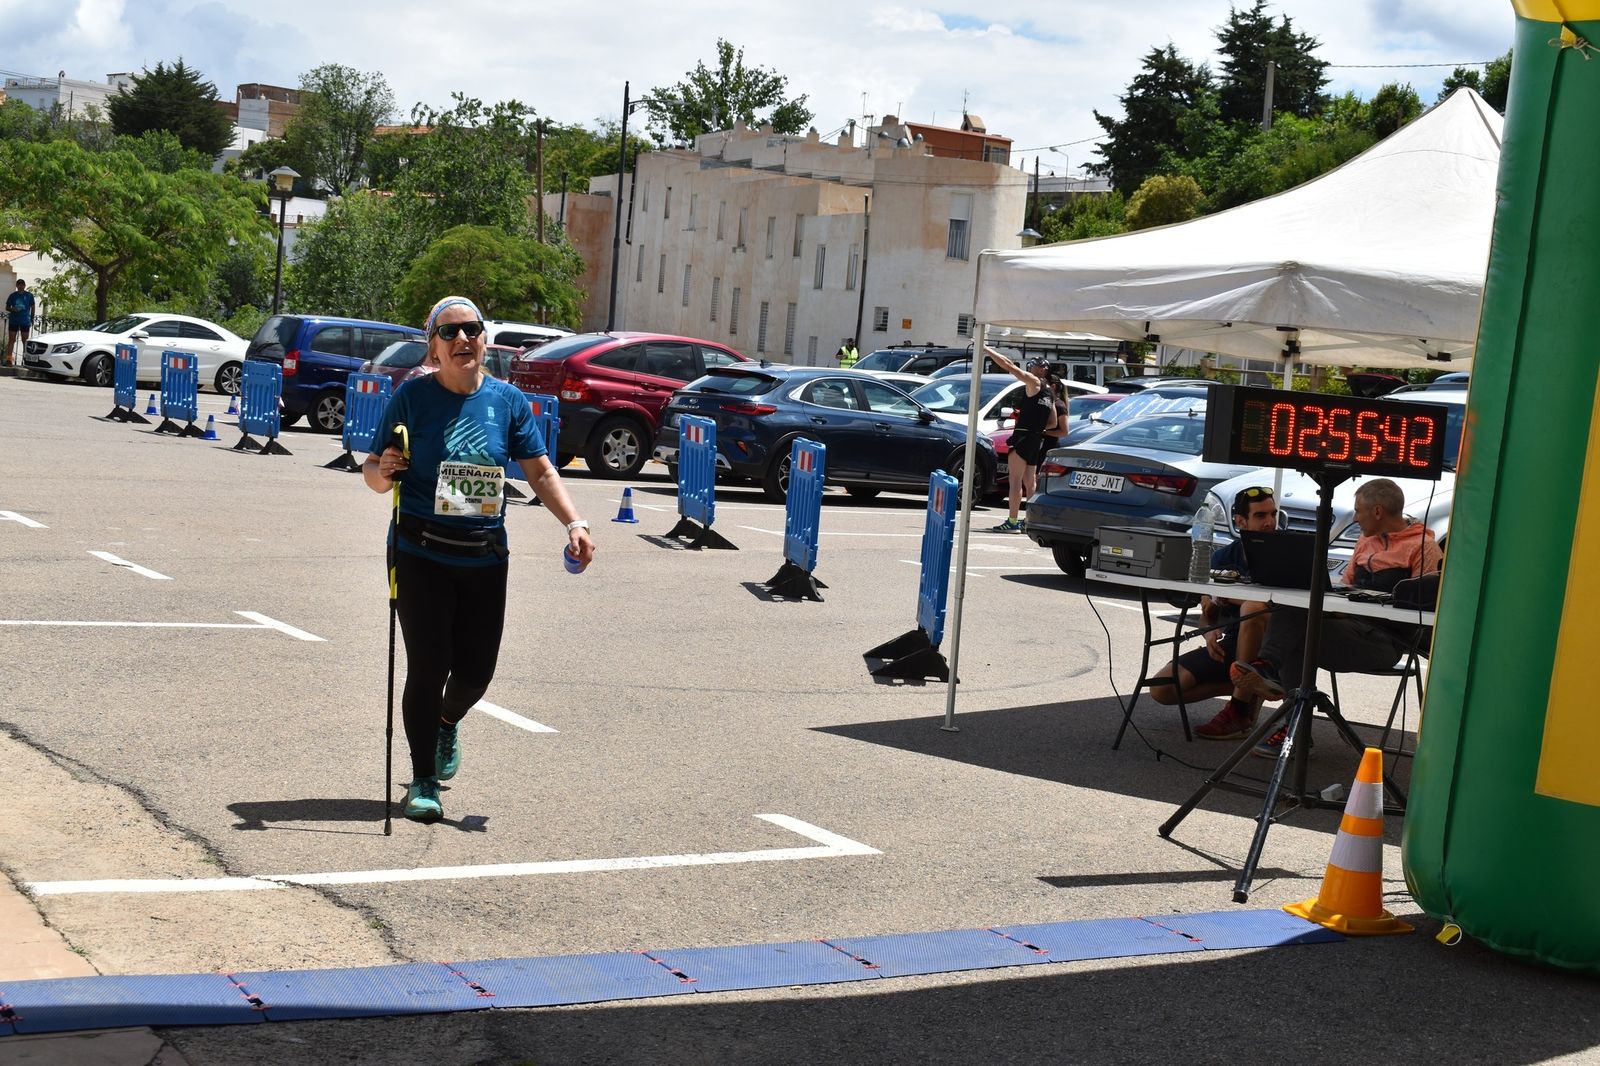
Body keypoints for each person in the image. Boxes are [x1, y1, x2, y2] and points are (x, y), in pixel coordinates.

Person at [363, 295, 596, 823]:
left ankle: (447, 723)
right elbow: (373, 471)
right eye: (449, 333)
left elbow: (540, 471)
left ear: (485, 340)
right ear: (433, 348)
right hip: (419, 551)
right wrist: (386, 470)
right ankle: (424, 780)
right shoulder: (412, 397)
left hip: (484, 556)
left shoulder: (508, 401)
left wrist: (575, 523)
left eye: (471, 329)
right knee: (428, 666)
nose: (462, 339)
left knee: (474, 675)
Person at [1230, 477, 1443, 755]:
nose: (1355, 518)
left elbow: (1424, 609)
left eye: (1358, 511)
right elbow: (1345, 587)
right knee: (1296, 606)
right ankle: (1283, 702)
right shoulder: (1365, 542)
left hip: (1385, 642)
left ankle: (1287, 711)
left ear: (1378, 511)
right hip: (1346, 627)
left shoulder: (1423, 547)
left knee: (1297, 630)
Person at [1148, 486, 1278, 737]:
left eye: (1273, 514)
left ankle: (1238, 708)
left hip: (1274, 649)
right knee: (1161, 689)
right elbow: (1207, 612)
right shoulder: (1224, 557)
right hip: (1233, 645)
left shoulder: (1288, 553)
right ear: (1240, 522)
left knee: (1252, 607)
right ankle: (1248, 690)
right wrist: (1209, 633)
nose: (1270, 522)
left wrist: (1227, 595)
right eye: (1261, 516)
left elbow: (1275, 606)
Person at [987, 347, 1058, 533]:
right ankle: (1030, 521)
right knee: (1030, 483)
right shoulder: (1050, 392)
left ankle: (1012, 521)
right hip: (1035, 438)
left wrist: (987, 350)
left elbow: (1009, 365)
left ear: (1040, 370)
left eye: (1033, 366)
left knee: (1015, 481)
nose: (1030, 368)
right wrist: (1037, 426)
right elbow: (1053, 422)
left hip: (1023, 435)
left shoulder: (1034, 381)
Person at [5, 280, 35, 368]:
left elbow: (33, 307)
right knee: (11, 340)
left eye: (22, 285)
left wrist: (31, 318)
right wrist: (12, 309)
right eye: (19, 285)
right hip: (13, 320)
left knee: (25, 341)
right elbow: (7, 307)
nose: (21, 286)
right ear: (17, 286)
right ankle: (9, 360)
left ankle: (25, 360)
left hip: (25, 321)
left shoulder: (29, 295)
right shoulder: (12, 295)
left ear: (25, 286)